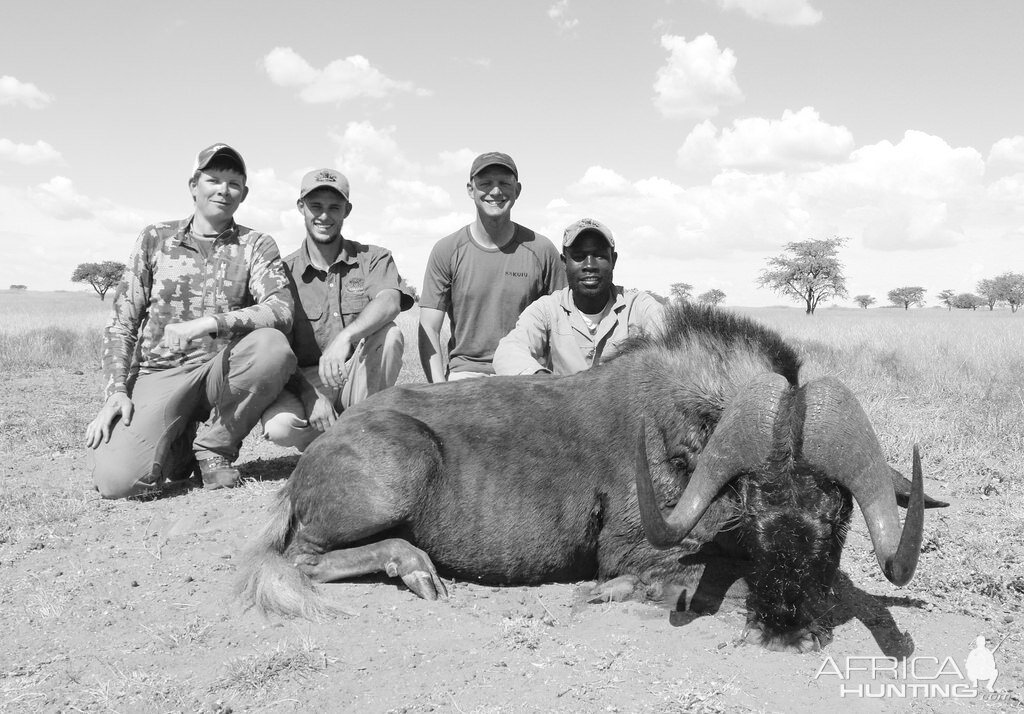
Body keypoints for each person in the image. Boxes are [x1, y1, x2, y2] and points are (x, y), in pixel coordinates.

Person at [85, 143, 295, 499]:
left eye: (233, 183)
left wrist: (209, 323)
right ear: (193, 185)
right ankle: (178, 445)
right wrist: (116, 392)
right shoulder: (156, 239)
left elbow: (282, 309)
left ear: (244, 193)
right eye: (213, 180)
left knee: (273, 346)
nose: (223, 190)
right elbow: (122, 323)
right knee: (118, 483)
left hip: (223, 372)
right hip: (160, 373)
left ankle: (215, 447)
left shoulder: (257, 244)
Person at [260, 168, 416, 451]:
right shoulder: (282, 272)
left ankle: (364, 431)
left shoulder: (374, 258)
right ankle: (335, 437)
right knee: (279, 428)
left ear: (347, 210)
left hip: (356, 374)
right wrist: (311, 396)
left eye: (334, 207)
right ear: (301, 207)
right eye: (315, 206)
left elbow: (390, 301)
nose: (324, 216)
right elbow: (277, 354)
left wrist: (345, 338)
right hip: (304, 381)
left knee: (390, 335)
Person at [418, 152, 565, 381]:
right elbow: (429, 326)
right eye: (486, 183)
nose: (495, 192)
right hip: (466, 373)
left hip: (525, 374)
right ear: (470, 189)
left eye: (504, 184)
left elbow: (562, 324)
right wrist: (438, 390)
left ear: (517, 190)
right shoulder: (446, 250)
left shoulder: (542, 250)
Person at [493, 218, 664, 376]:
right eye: (579, 257)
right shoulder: (546, 309)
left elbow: (670, 342)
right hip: (564, 405)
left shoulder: (638, 305)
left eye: (599, 256)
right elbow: (508, 352)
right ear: (564, 262)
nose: (589, 265)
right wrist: (545, 383)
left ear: (613, 260)